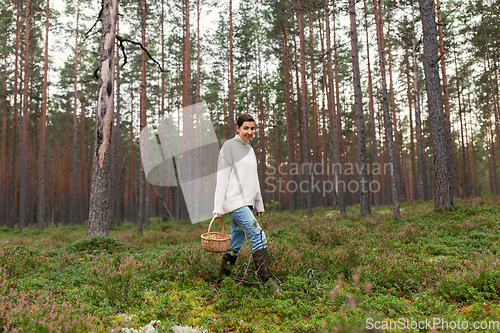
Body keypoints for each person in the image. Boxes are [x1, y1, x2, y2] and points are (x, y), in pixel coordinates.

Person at [213, 113, 281, 293]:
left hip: (247, 204)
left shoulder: (250, 150)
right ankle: (268, 284)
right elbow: (222, 177)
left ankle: (220, 284)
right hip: (235, 202)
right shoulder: (228, 147)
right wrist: (217, 207)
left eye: (252, 129)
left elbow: (254, 180)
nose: (249, 132)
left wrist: (258, 204)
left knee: (235, 244)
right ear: (238, 128)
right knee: (259, 236)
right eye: (245, 128)